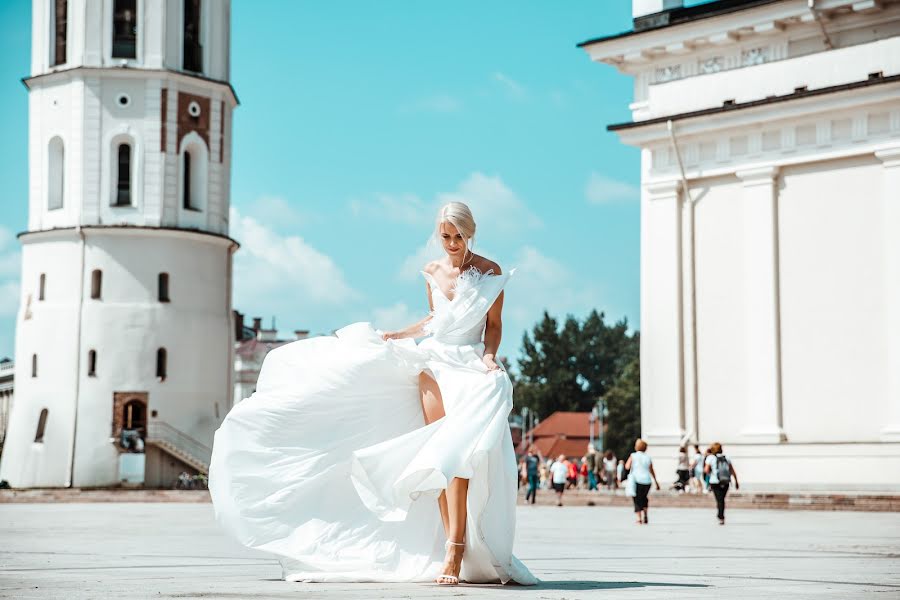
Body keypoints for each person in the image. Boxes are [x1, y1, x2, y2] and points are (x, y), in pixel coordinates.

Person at [208, 202, 537, 586]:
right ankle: (451, 544)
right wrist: (399, 335)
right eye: (445, 236)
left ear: (471, 232)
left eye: (458, 236)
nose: (450, 243)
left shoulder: (490, 272)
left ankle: (456, 549)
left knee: (458, 455)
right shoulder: (431, 271)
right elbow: (435, 322)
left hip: (469, 366)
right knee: (440, 458)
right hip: (433, 365)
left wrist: (490, 355)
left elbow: (493, 325)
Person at [624, 439, 660, 524]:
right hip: (647, 481)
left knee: (637, 499)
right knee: (644, 498)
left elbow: (627, 466)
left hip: (637, 480)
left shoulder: (633, 455)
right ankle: (646, 514)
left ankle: (639, 518)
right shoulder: (648, 457)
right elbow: (652, 470)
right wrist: (656, 482)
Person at [705, 442, 740, 525]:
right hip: (726, 481)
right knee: (722, 499)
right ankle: (721, 515)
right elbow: (732, 470)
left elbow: (706, 470)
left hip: (715, 481)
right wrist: (736, 481)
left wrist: (710, 474)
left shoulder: (710, 458)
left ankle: (721, 516)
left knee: (719, 500)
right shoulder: (726, 457)